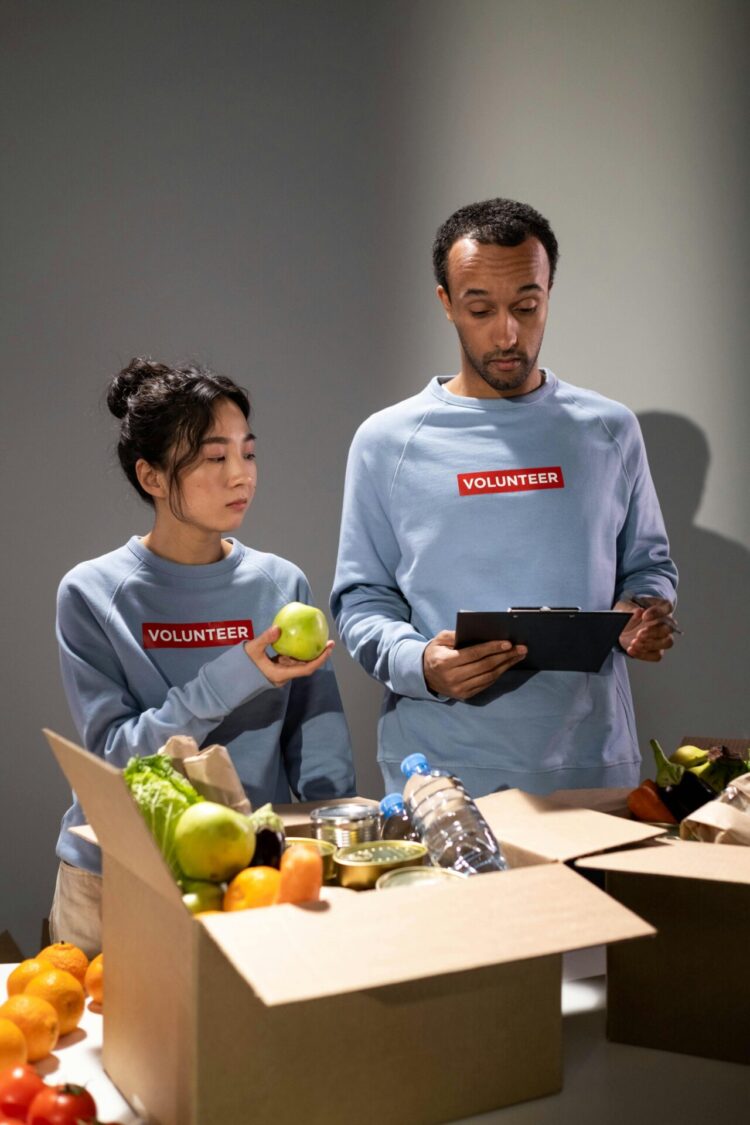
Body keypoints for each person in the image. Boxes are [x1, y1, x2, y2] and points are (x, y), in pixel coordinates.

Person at [331, 197, 677, 799]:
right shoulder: (387, 442)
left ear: (549, 295)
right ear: (445, 303)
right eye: (481, 308)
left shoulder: (609, 430)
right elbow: (361, 601)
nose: (507, 332)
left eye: (526, 306)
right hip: (440, 777)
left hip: (591, 769)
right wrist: (421, 664)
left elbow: (648, 568)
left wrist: (644, 613)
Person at [52, 358, 356, 954]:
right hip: (118, 875)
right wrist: (237, 673)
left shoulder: (280, 583)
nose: (240, 475)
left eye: (248, 453)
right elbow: (113, 760)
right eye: (215, 459)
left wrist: (330, 847)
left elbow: (318, 738)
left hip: (253, 870)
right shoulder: (91, 594)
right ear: (153, 477)